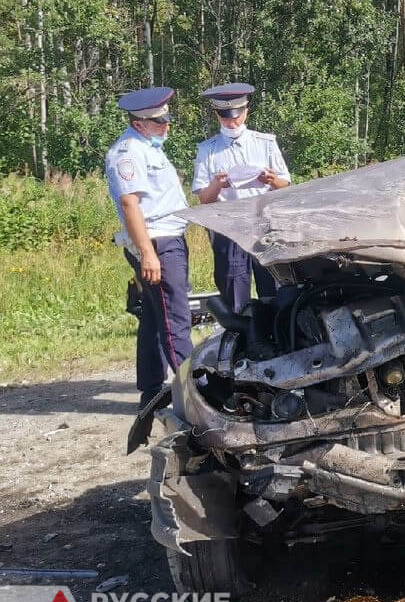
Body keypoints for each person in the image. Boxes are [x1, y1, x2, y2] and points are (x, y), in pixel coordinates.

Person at [105, 87, 193, 408]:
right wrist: (147, 253)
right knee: (175, 319)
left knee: (156, 319)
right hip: (156, 242)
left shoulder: (149, 148)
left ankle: (152, 389)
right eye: (159, 121)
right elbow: (130, 204)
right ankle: (196, 393)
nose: (166, 126)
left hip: (167, 239)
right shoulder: (128, 153)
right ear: (140, 123)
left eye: (166, 119)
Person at [192, 82, 291, 314]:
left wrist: (271, 180)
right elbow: (204, 199)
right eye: (225, 117)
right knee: (235, 288)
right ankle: (241, 336)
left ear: (246, 111)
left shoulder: (265, 143)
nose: (232, 122)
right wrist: (217, 185)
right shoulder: (207, 150)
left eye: (236, 116)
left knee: (275, 287)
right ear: (217, 115)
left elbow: (285, 184)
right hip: (229, 225)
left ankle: (278, 334)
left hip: (265, 222)